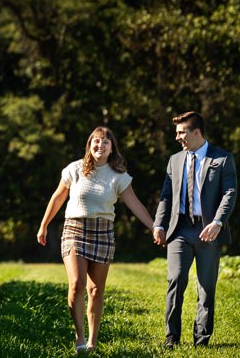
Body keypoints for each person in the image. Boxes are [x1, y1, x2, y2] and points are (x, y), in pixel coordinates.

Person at [37, 127, 155, 352]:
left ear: (112, 149)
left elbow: (136, 204)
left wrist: (153, 227)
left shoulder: (119, 177)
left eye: (106, 142)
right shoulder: (75, 169)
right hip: (75, 229)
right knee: (77, 284)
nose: (100, 146)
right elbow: (58, 197)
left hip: (103, 232)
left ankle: (92, 341)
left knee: (95, 290)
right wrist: (43, 225)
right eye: (96, 142)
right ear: (90, 145)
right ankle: (79, 337)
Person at [153, 111, 237, 349]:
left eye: (181, 132)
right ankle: (171, 337)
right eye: (177, 133)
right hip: (179, 230)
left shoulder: (222, 159)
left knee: (206, 287)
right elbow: (166, 196)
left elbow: (229, 193)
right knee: (176, 280)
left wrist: (218, 222)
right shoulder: (175, 160)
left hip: (208, 230)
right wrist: (159, 224)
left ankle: (201, 339)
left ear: (196, 132)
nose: (178, 137)